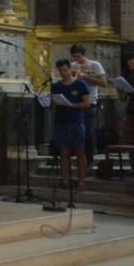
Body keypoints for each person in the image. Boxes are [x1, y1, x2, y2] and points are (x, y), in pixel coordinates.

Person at [51, 58, 91, 192]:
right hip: (60, 121)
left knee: (79, 150)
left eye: (65, 70)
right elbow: (52, 106)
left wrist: (73, 105)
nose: (63, 73)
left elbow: (87, 103)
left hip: (76, 121)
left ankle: (81, 181)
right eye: (60, 71)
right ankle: (65, 181)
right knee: (64, 152)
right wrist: (54, 103)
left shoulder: (80, 85)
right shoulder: (56, 86)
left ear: (70, 69)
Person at [69, 44, 107, 161]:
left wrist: (86, 77)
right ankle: (77, 154)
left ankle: (88, 156)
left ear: (84, 55)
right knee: (74, 129)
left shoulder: (94, 65)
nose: (77, 60)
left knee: (86, 128)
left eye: (79, 57)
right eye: (74, 57)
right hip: (76, 101)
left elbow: (103, 83)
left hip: (91, 100)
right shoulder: (72, 66)